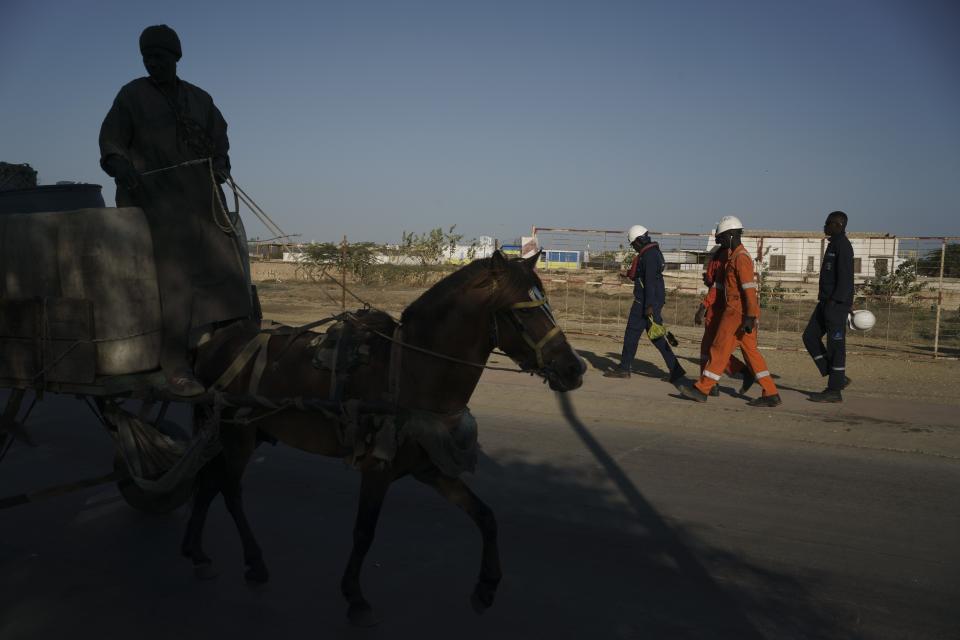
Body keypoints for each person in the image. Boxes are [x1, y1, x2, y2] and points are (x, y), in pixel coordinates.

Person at [99, 25, 251, 396]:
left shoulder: (200, 99)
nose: (154, 64)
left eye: (161, 58)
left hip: (201, 203)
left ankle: (233, 344)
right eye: (148, 58)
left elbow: (220, 142)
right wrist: (120, 165)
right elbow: (112, 143)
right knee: (175, 276)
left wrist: (221, 165)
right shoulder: (131, 96)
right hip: (153, 204)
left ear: (176, 58)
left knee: (228, 262)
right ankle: (174, 361)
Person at [681, 216, 781, 406]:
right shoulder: (733, 257)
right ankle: (771, 393)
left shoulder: (740, 258)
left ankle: (702, 389)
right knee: (752, 354)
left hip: (736, 312)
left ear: (732, 235)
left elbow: (749, 289)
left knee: (718, 349)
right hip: (741, 312)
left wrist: (750, 316)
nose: (721, 242)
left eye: (722, 238)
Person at [604, 225, 686, 382]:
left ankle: (624, 368)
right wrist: (628, 273)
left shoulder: (648, 256)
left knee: (631, 335)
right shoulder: (652, 253)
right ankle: (676, 370)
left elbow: (649, 282)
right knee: (657, 336)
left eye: (634, 244)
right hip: (651, 301)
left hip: (645, 303)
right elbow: (646, 276)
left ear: (640, 240)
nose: (633, 247)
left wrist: (648, 306)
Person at [694, 229, 754, 396]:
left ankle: (709, 384)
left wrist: (703, 306)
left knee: (713, 348)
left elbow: (717, 286)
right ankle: (711, 382)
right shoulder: (724, 253)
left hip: (720, 308)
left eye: (719, 236)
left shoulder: (726, 255)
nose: (717, 238)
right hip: (720, 306)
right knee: (714, 348)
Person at [803, 211, 854, 402]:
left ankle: (834, 391)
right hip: (825, 302)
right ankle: (837, 377)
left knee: (836, 347)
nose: (824, 226)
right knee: (809, 337)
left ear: (838, 225)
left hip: (835, 305)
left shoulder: (843, 246)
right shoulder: (833, 244)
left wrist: (837, 302)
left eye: (828, 223)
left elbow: (846, 279)